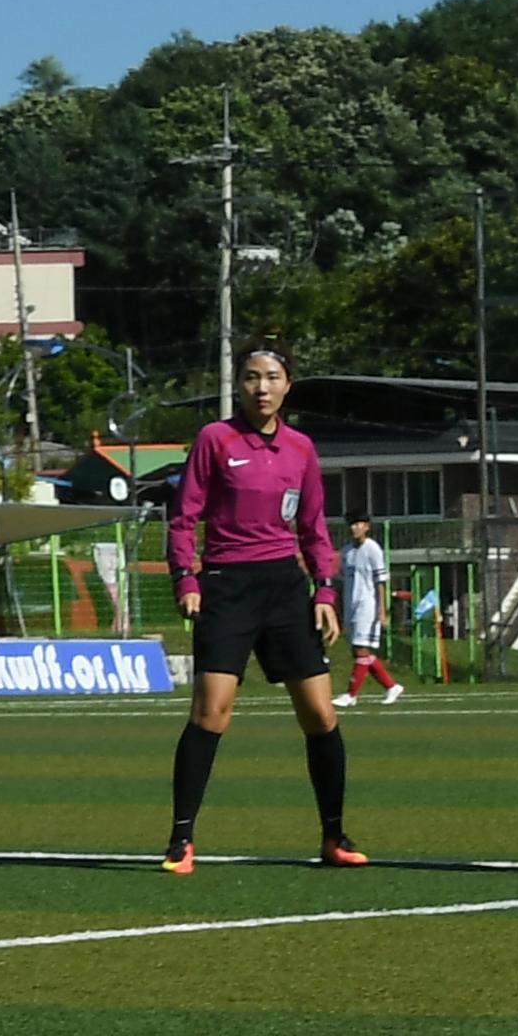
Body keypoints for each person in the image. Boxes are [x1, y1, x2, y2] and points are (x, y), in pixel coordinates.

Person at [164, 344, 362, 873]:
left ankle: (334, 838)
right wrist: (186, 576)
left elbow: (314, 528)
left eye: (272, 377)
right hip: (227, 586)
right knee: (212, 712)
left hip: (283, 586)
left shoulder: (301, 448)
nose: (261, 387)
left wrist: (324, 592)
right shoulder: (215, 439)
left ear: (288, 385)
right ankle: (181, 840)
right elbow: (183, 516)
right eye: (252, 377)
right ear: (240, 385)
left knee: (321, 714)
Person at [339, 517, 402, 705]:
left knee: (361, 650)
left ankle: (351, 695)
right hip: (351, 606)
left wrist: (382, 610)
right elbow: (342, 582)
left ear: (366, 527)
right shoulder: (346, 552)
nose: (354, 528)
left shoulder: (373, 549)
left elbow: (380, 581)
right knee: (360, 652)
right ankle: (392, 686)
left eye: (358, 524)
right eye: (351, 524)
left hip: (367, 606)